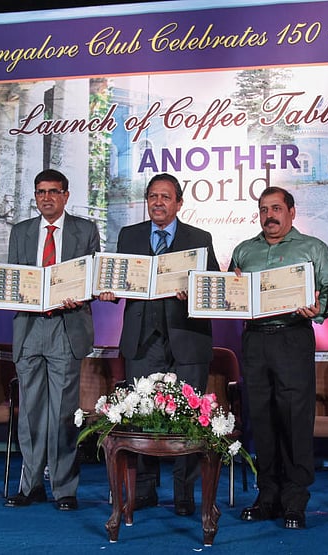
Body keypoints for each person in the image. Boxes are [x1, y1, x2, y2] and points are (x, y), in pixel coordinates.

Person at [98, 173, 220, 516]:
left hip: (187, 339)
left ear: (178, 203)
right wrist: (108, 291)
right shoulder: (129, 235)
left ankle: (184, 494)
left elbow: (212, 288)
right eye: (153, 196)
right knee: (141, 416)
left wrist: (194, 292)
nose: (158, 202)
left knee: (189, 419)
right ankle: (145, 490)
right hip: (141, 340)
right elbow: (119, 281)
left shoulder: (200, 239)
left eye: (166, 197)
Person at [229, 186, 328, 530]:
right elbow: (230, 292)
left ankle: (294, 500)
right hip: (255, 339)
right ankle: (266, 496)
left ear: (291, 212)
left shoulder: (312, 248)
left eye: (276, 208)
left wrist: (318, 309)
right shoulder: (244, 250)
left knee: (294, 419)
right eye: (263, 209)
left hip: (293, 336)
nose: (269, 216)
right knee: (261, 419)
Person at [4, 169, 100, 511]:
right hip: (29, 328)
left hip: (66, 326)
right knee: (30, 412)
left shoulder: (85, 230)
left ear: (65, 196)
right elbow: (14, 280)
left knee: (62, 413)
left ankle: (64, 489)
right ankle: (30, 485)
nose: (47, 198)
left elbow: (92, 279)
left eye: (53, 192)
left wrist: (82, 295)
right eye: (41, 192)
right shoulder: (21, 232)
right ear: (35, 196)